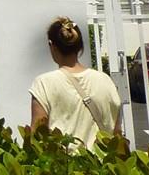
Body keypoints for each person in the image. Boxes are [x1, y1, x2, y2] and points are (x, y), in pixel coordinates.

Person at [28, 16, 121, 147]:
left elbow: (37, 136)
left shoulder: (44, 83)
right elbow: (117, 133)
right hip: (103, 158)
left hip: (64, 159)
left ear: (52, 46)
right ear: (80, 46)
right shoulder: (105, 80)